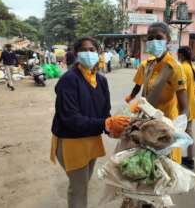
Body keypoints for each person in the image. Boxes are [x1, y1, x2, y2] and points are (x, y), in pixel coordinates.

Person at [50, 36, 130, 208]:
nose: (88, 53)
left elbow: (104, 111)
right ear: (76, 54)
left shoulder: (101, 80)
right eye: (83, 50)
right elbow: (71, 119)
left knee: (84, 182)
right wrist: (105, 124)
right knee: (78, 188)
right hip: (71, 142)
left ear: (98, 52)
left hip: (91, 140)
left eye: (92, 50)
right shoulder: (69, 80)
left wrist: (116, 128)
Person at [126, 22, 188, 165]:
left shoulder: (174, 68)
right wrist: (133, 102)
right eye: (150, 38)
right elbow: (143, 90)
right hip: (147, 123)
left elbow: (184, 106)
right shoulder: (149, 64)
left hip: (165, 126)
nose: (154, 41)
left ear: (167, 40)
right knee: (147, 166)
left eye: (159, 37)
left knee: (165, 167)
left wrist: (178, 128)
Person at [178, 46, 195, 169]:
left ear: (181, 55)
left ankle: (190, 159)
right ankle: (189, 157)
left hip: (184, 106)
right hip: (191, 104)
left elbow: (181, 89)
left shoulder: (183, 68)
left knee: (186, 133)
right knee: (188, 132)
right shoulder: (192, 67)